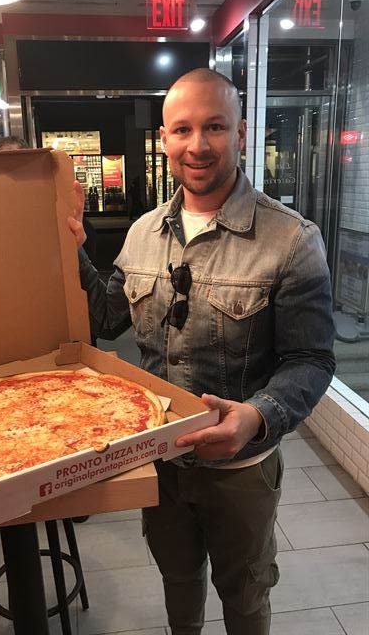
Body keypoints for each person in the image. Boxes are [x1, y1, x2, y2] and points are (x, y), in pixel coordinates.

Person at [68, 68, 335, 635]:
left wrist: (257, 416)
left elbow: (311, 361)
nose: (198, 145)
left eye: (214, 126)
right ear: (164, 139)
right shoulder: (142, 234)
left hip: (242, 470)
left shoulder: (292, 240)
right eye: (182, 129)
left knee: (245, 595)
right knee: (178, 583)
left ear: (241, 131)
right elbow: (107, 316)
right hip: (162, 464)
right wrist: (71, 249)